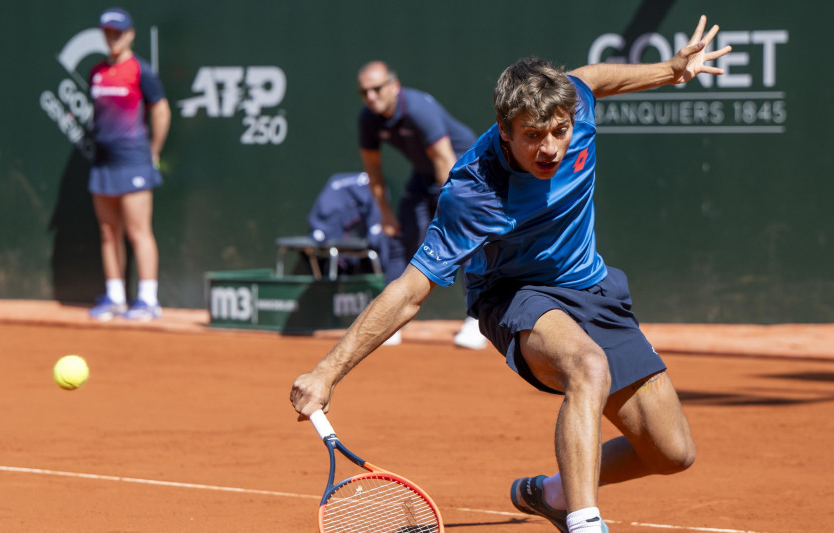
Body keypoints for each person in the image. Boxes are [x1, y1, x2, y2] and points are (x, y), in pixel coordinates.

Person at [292, 16, 731, 533]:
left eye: (559, 131)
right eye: (532, 137)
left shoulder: (574, 105)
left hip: (591, 285)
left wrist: (671, 71)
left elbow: (592, 78)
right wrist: (327, 371)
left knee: (672, 452)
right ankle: (586, 523)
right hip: (515, 296)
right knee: (587, 367)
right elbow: (411, 291)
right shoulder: (473, 193)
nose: (550, 148)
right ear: (504, 130)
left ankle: (552, 493)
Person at [356, 60, 486, 348]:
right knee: (402, 239)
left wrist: (453, 210)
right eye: (364, 92)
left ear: (394, 86)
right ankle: (389, 321)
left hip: (464, 168)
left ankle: (477, 321)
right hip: (424, 173)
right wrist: (386, 214)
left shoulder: (417, 109)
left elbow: (445, 159)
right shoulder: (369, 118)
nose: (371, 97)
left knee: (464, 240)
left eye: (376, 89)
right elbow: (373, 170)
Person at [87, 7, 171, 321]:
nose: (112, 38)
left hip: (134, 160)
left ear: (131, 34)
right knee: (109, 232)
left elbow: (161, 111)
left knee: (138, 231)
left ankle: (148, 300)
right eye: (108, 32)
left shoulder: (140, 71)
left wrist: (154, 151)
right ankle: (115, 297)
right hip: (103, 162)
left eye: (118, 32)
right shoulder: (96, 72)